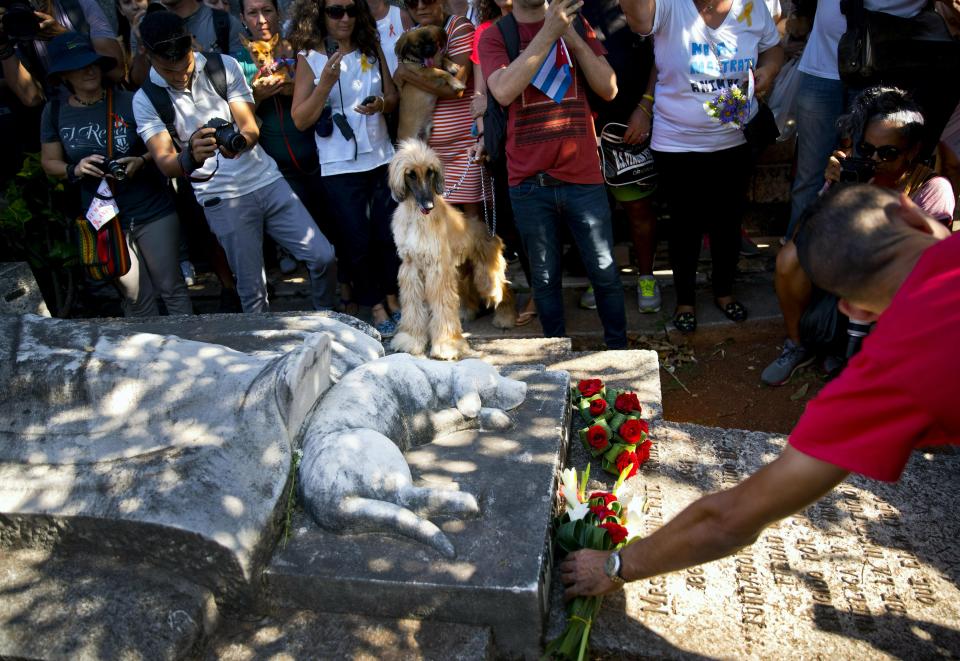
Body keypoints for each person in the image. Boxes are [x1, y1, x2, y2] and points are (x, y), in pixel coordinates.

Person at [561, 183, 958, 597]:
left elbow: (729, 521)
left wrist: (616, 565)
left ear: (853, 308)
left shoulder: (889, 371)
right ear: (915, 214)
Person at [133, 9, 337, 313]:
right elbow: (166, 163)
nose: (180, 75)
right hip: (221, 197)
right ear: (146, 54)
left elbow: (250, 126)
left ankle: (325, 318)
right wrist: (190, 156)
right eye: (168, 69)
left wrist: (239, 143)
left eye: (184, 64)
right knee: (253, 291)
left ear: (192, 43)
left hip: (266, 179)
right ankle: (264, 350)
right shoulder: (145, 99)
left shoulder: (222, 66)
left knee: (323, 256)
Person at [762, 87, 955, 386]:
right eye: (866, 150)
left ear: (913, 150)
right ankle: (798, 345)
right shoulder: (851, 172)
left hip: (891, 291)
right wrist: (836, 188)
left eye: (888, 153)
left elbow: (926, 268)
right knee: (790, 258)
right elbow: (806, 235)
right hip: (844, 275)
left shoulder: (931, 188)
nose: (875, 160)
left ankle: (863, 360)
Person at [619, 0, 782, 334]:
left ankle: (724, 292)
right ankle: (685, 300)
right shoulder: (668, 6)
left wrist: (769, 71)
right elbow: (637, 20)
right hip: (677, 142)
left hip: (736, 139)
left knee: (728, 221)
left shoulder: (752, 7)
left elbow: (774, 49)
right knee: (685, 225)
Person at [478, 0, 627, 349]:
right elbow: (501, 90)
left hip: (583, 176)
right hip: (529, 182)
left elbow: (609, 88)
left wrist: (571, 36)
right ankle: (557, 359)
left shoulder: (577, 24)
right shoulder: (495, 36)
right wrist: (548, 33)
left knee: (605, 274)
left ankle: (620, 354)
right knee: (544, 281)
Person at [40, 32, 192, 316]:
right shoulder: (55, 111)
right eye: (78, 66)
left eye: (92, 63)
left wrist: (143, 160)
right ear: (64, 76)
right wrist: (75, 168)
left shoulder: (131, 101)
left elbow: (168, 144)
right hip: (104, 219)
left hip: (150, 208)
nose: (88, 70)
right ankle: (147, 358)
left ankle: (191, 351)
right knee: (135, 296)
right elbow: (49, 162)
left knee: (171, 287)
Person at [288, 0, 402, 336]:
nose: (345, 18)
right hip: (339, 167)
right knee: (357, 241)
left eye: (351, 10)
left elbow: (393, 96)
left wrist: (381, 104)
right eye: (336, 11)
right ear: (320, 15)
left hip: (380, 158)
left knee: (387, 235)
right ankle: (377, 306)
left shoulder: (371, 46)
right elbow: (299, 119)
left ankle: (394, 299)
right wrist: (324, 84)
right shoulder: (311, 58)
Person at [784, 0, 928, 242]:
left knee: (867, 172)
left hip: (879, 69)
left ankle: (857, 258)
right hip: (821, 67)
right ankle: (796, 258)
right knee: (809, 176)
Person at [235, 0, 329, 274]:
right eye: (253, 13)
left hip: (317, 155)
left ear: (278, 13)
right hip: (274, 167)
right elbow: (233, 115)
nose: (261, 19)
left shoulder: (301, 49)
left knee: (327, 223)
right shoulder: (237, 62)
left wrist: (292, 88)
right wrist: (255, 96)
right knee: (297, 231)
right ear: (242, 18)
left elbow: (326, 94)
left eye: (267, 11)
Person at [580, 0, 659, 313]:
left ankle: (647, 277)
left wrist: (646, 108)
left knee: (638, 207)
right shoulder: (571, 7)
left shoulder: (641, 4)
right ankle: (600, 277)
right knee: (592, 214)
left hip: (632, 120)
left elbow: (662, 58)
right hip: (586, 126)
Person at [398, 0, 486, 223]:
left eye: (426, 0)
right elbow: (396, 81)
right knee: (439, 224)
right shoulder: (411, 35)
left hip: (464, 146)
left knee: (471, 220)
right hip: (428, 152)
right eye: (411, 3)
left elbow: (455, 88)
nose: (420, 7)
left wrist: (409, 74)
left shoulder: (459, 27)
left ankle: (479, 258)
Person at [4, 0, 125, 90]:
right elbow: (31, 98)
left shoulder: (79, 4)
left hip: (104, 101)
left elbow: (117, 73)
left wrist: (64, 36)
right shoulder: (12, 22)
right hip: (61, 113)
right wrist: (3, 46)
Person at [129, 0, 244, 85]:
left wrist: (204, 59)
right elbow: (139, 82)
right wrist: (143, 48)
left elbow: (243, 77)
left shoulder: (224, 22)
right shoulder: (144, 26)